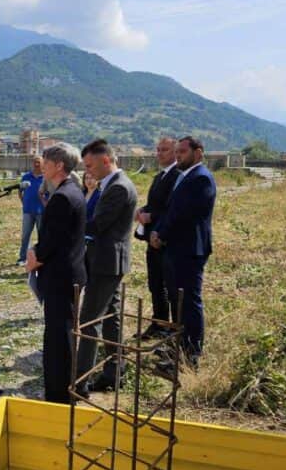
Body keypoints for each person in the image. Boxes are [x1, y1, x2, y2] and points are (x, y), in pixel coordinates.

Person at [25, 144, 86, 404]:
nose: (43, 166)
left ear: (59, 165)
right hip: (68, 273)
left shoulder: (62, 197)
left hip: (60, 275)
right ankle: (65, 389)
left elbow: (54, 240)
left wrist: (34, 257)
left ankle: (59, 395)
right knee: (63, 332)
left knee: (58, 337)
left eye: (47, 162)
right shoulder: (72, 190)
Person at [75, 139, 138, 392]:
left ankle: (80, 382)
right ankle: (114, 372)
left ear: (105, 160)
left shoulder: (118, 187)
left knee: (89, 321)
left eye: (90, 166)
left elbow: (97, 225)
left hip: (106, 263)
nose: (87, 171)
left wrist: (67, 226)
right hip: (106, 260)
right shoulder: (111, 184)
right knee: (112, 318)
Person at [151, 136, 217, 371]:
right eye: (177, 151)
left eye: (182, 152)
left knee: (188, 302)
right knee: (178, 302)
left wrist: (162, 234)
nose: (178, 155)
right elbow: (171, 210)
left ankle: (190, 356)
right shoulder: (185, 176)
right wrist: (158, 230)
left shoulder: (201, 178)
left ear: (198, 153)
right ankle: (178, 348)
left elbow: (185, 215)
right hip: (176, 248)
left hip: (189, 250)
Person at [135, 137, 179, 336]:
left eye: (165, 149)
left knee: (169, 285)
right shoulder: (160, 176)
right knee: (155, 283)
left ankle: (172, 329)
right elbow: (155, 204)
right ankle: (159, 322)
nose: (159, 153)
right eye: (158, 149)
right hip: (152, 239)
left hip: (165, 239)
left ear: (175, 152)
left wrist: (151, 216)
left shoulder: (177, 176)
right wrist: (142, 210)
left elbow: (173, 208)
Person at [18, 156, 45, 265]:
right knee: (25, 235)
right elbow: (20, 192)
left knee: (42, 236)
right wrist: (24, 203)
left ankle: (41, 257)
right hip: (28, 211)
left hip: (41, 211)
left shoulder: (45, 177)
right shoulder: (26, 177)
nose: (36, 164)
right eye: (34, 162)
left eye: (38, 162)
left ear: (43, 164)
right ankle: (23, 258)